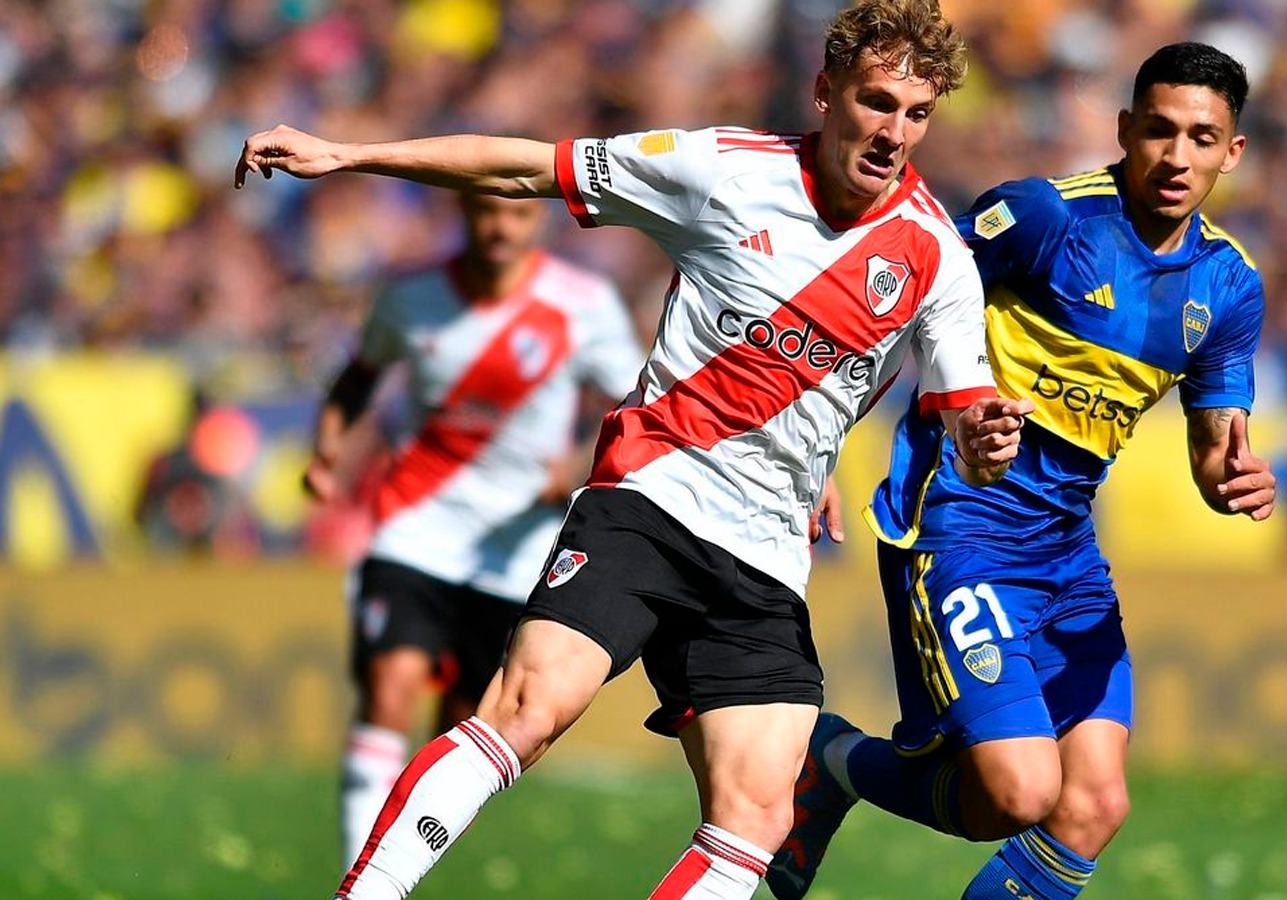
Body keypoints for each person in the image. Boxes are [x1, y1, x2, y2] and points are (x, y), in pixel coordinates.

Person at [234, 2, 1033, 899]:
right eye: (877, 102)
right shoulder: (724, 169)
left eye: (916, 114)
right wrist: (347, 154)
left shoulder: (935, 257)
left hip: (767, 551)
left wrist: (985, 441)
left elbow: (967, 421)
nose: (893, 133)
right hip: (652, 497)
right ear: (825, 91)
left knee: (759, 813)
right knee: (530, 708)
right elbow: (525, 168)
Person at [768, 42, 1277, 900]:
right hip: (960, 525)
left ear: (1233, 152)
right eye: (1158, 130)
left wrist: (1232, 481)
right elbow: (899, 311)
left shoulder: (1229, 286)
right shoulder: (1045, 219)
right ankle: (833, 763)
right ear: (1123, 130)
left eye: (1201, 137)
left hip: (1068, 554)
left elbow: (1215, 447)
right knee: (1020, 792)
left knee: (1092, 805)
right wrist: (828, 439)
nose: (1176, 156)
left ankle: (832, 772)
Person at [305, 190, 644, 871]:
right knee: (389, 685)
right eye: (487, 211)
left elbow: (635, 405)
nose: (500, 226)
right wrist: (328, 447)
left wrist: (577, 465)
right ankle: (359, 882)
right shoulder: (411, 296)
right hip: (415, 526)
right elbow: (359, 375)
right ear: (463, 213)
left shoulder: (582, 305)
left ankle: (391, 873)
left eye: (516, 214)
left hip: (516, 546)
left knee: (465, 728)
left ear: (539, 221)